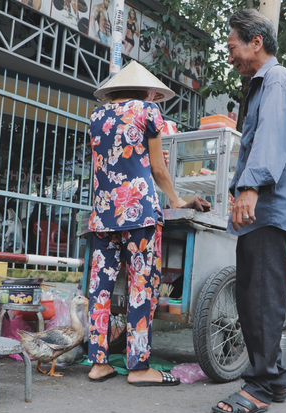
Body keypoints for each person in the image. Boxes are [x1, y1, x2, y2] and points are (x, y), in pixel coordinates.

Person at [212, 9, 286, 413]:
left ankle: (260, 387)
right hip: (257, 212)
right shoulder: (259, 86)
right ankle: (275, 378)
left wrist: (249, 187)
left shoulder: (278, 81)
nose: (230, 56)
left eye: (233, 47)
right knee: (252, 299)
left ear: (256, 42)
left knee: (263, 300)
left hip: (267, 207)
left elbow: (270, 141)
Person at [86, 61, 186, 386]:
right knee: (140, 286)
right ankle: (139, 367)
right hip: (138, 211)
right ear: (147, 90)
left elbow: (114, 158)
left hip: (103, 213)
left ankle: (98, 363)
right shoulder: (149, 110)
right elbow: (157, 168)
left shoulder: (97, 116)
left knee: (100, 287)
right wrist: (176, 198)